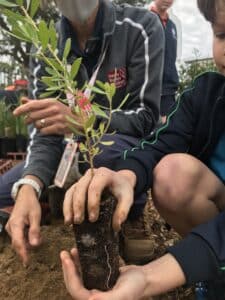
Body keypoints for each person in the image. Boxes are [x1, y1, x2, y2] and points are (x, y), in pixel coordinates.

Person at [57, 0, 225, 298]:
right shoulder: (206, 94)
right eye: (222, 35)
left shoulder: (140, 29)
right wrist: (124, 175)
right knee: (173, 172)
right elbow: (160, 144)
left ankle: (206, 261)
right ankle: (212, 269)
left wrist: (151, 277)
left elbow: (143, 115)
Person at [4, 0, 164, 263]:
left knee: (105, 157)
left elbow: (146, 119)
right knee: (10, 188)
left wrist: (82, 120)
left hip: (114, 146)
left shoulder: (140, 27)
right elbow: (45, 134)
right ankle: (43, 205)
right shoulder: (46, 43)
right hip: (69, 149)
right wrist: (29, 186)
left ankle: (132, 213)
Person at [149, 0, 179, 122]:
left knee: (168, 130)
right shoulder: (145, 19)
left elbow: (172, 57)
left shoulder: (172, 26)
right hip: (150, 90)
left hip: (169, 91)